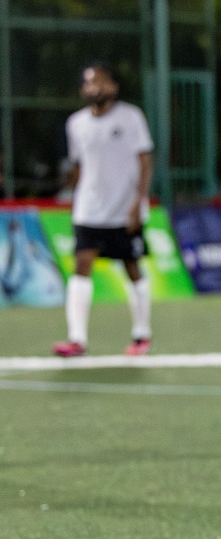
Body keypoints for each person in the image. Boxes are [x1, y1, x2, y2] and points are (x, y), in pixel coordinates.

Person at [53, 62, 155, 357]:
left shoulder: (131, 117)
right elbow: (78, 166)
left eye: (99, 82)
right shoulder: (76, 123)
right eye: (87, 83)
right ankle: (76, 339)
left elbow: (145, 162)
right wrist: (65, 187)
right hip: (88, 210)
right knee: (81, 266)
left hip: (124, 210)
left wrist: (138, 202)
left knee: (132, 267)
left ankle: (141, 334)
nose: (93, 88)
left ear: (113, 86)